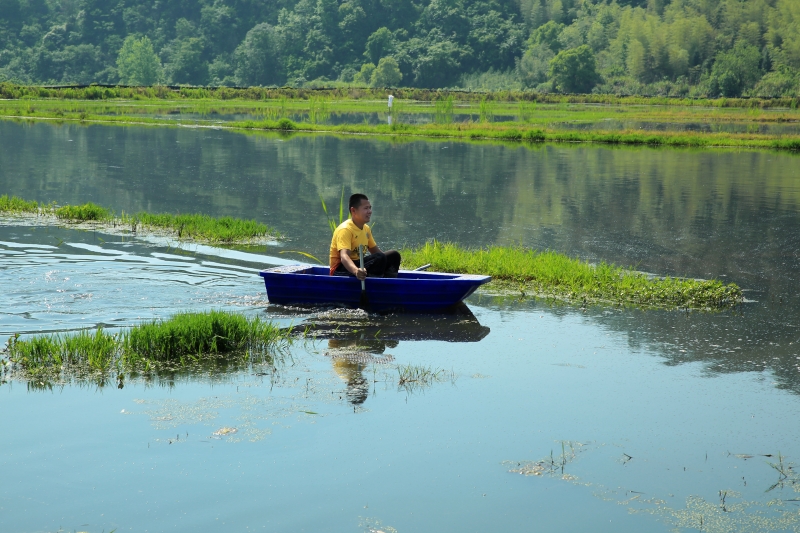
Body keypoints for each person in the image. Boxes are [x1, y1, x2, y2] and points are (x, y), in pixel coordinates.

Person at [329, 193, 401, 278]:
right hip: (340, 270)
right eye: (366, 208)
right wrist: (356, 271)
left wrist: (389, 262)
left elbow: (376, 252)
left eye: (370, 208)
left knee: (394, 255)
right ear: (353, 211)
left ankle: (389, 283)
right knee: (379, 257)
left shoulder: (366, 229)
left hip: (358, 264)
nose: (370, 211)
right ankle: (375, 285)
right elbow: (344, 257)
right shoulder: (345, 229)